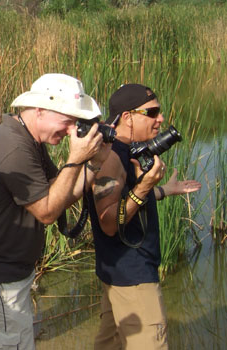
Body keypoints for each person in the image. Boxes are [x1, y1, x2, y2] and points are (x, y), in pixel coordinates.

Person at [0, 73, 111, 350]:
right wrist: (76, 159)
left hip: (8, 273)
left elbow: (60, 194)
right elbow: (48, 212)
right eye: (68, 121)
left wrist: (94, 164)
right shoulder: (13, 145)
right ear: (40, 110)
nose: (71, 130)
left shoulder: (29, 139)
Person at [88, 84, 201, 349]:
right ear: (127, 117)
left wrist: (162, 190)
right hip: (133, 277)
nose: (160, 119)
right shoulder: (113, 158)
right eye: (152, 113)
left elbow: (124, 198)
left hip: (118, 274)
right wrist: (145, 187)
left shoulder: (117, 149)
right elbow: (108, 222)